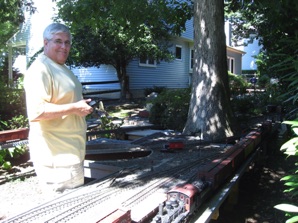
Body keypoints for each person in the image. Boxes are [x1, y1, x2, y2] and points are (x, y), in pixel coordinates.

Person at [24, 23, 93, 192]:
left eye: (67, 42)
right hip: (57, 157)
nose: (64, 46)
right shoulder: (40, 69)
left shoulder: (60, 67)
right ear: (45, 43)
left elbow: (65, 100)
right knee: (65, 212)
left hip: (71, 153)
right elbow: (37, 111)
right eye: (58, 41)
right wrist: (75, 108)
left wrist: (80, 105)